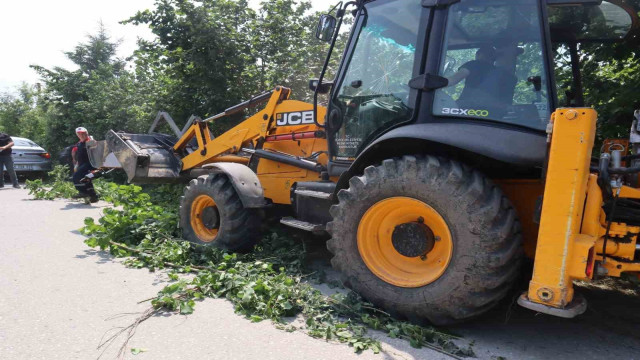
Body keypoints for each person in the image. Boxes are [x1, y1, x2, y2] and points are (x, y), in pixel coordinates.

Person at [71, 127, 99, 203]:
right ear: (77, 134)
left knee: (76, 176)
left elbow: (97, 151)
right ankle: (93, 196)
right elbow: (76, 153)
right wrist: (76, 163)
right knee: (87, 179)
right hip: (81, 164)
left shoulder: (90, 141)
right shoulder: (79, 143)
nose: (81, 135)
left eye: (83, 133)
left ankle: (83, 192)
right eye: (79, 134)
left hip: (90, 164)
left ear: (86, 133)